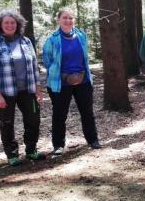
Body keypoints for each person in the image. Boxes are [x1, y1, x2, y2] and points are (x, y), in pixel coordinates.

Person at [0, 10, 45, 166]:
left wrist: (37, 88)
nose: (10, 25)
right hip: (5, 91)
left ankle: (31, 150)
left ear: (17, 24)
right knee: (7, 123)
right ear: (0, 25)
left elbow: (34, 65)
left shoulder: (26, 41)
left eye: (13, 22)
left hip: (28, 90)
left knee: (33, 119)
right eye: (6, 22)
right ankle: (12, 154)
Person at [42, 8, 101, 154]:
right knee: (59, 114)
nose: (68, 20)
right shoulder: (52, 39)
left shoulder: (81, 36)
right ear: (59, 20)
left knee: (87, 112)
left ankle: (93, 140)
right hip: (61, 83)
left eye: (70, 18)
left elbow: (84, 57)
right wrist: (63, 75)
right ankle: (58, 145)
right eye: (65, 18)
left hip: (83, 81)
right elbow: (47, 61)